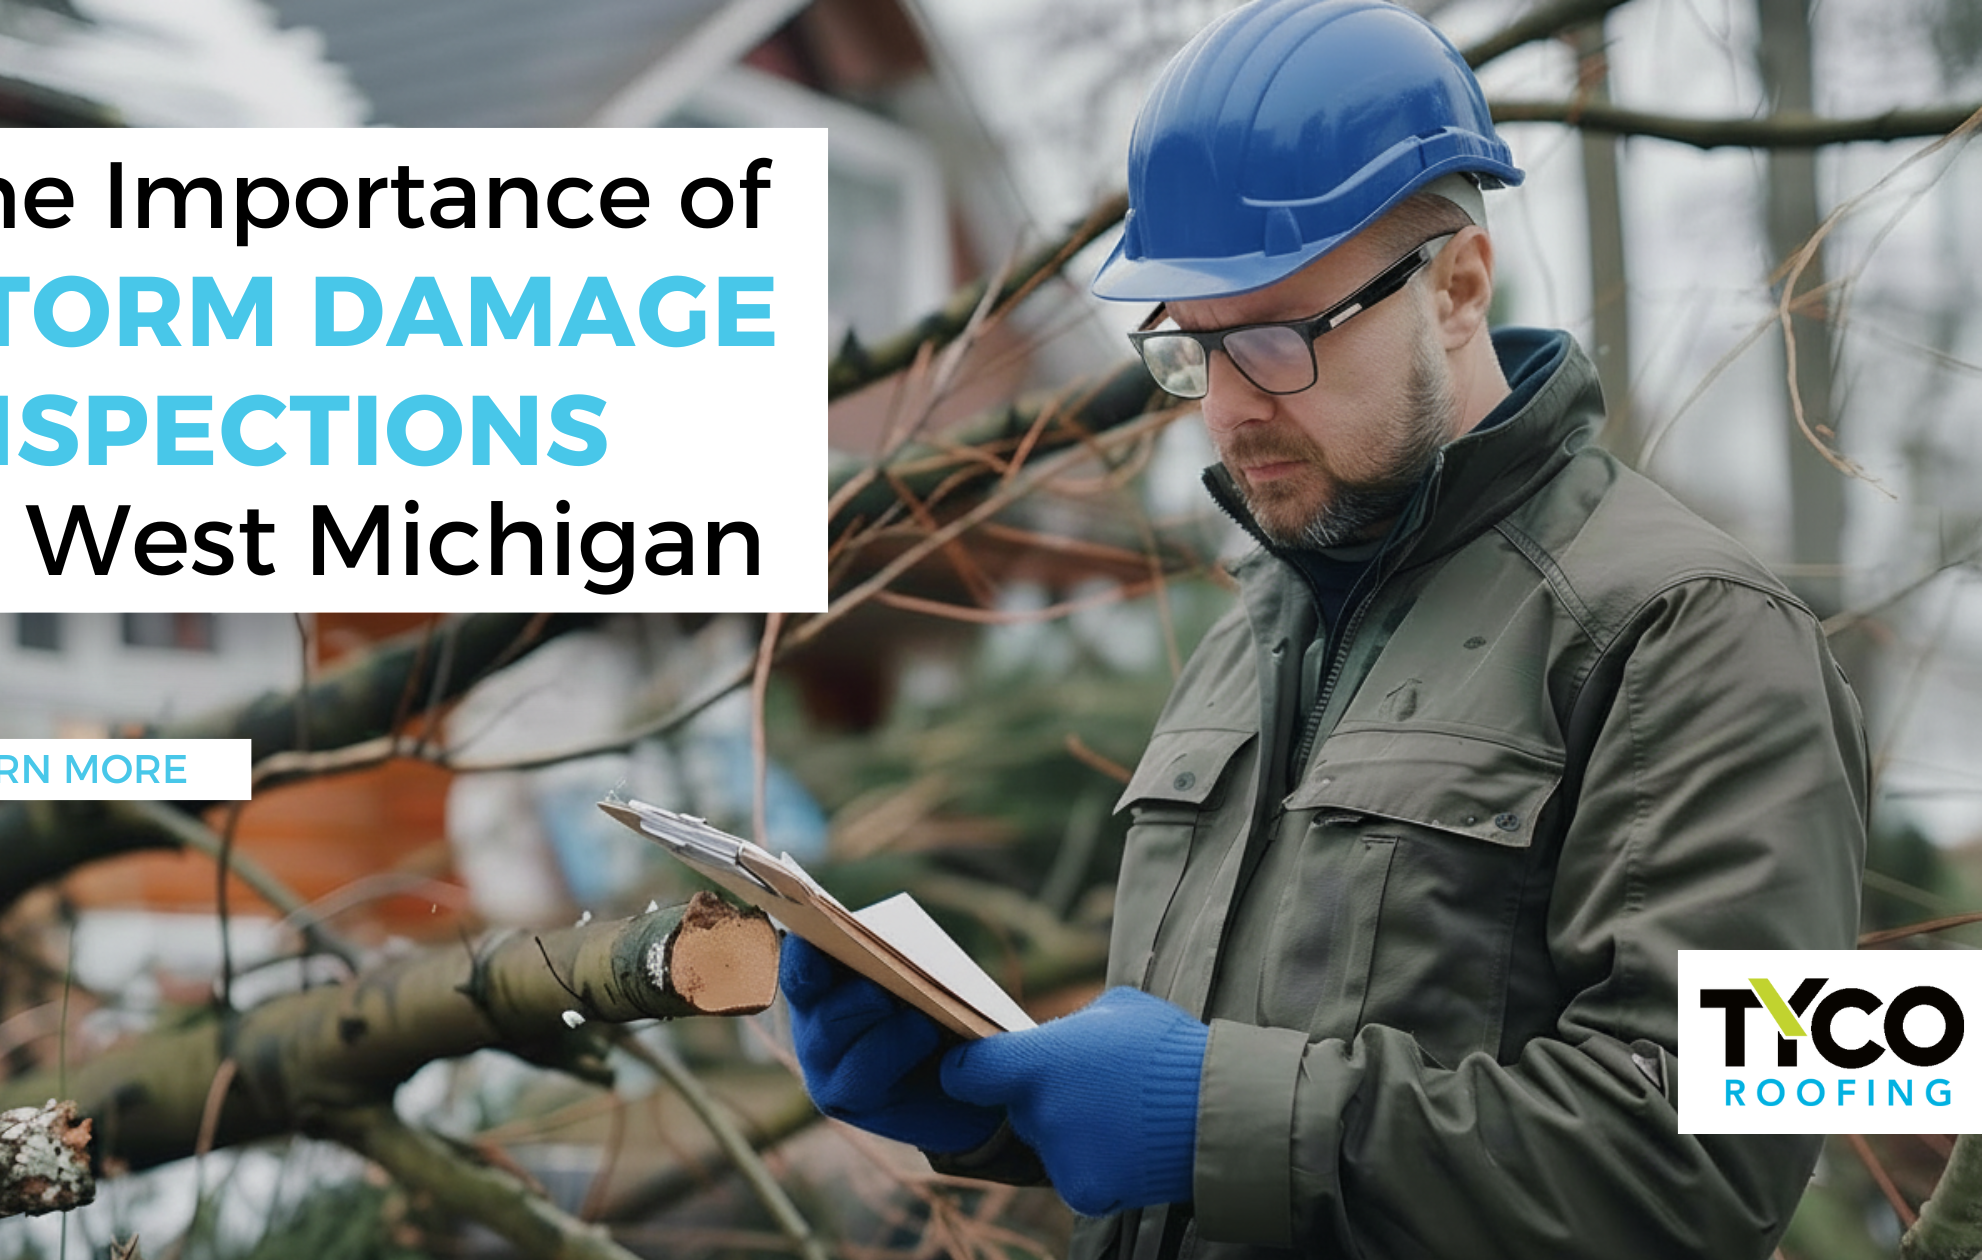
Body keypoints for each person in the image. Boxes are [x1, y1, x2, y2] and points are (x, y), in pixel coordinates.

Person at [781, 0, 1871, 1257]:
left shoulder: (1711, 635)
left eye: (1276, 338)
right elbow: (1223, 1093)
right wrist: (981, 1100)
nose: (1231, 409)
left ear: (1456, 285)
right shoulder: (1253, 633)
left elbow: (1720, 1166)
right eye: (1191, 351)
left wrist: (1204, 1115)